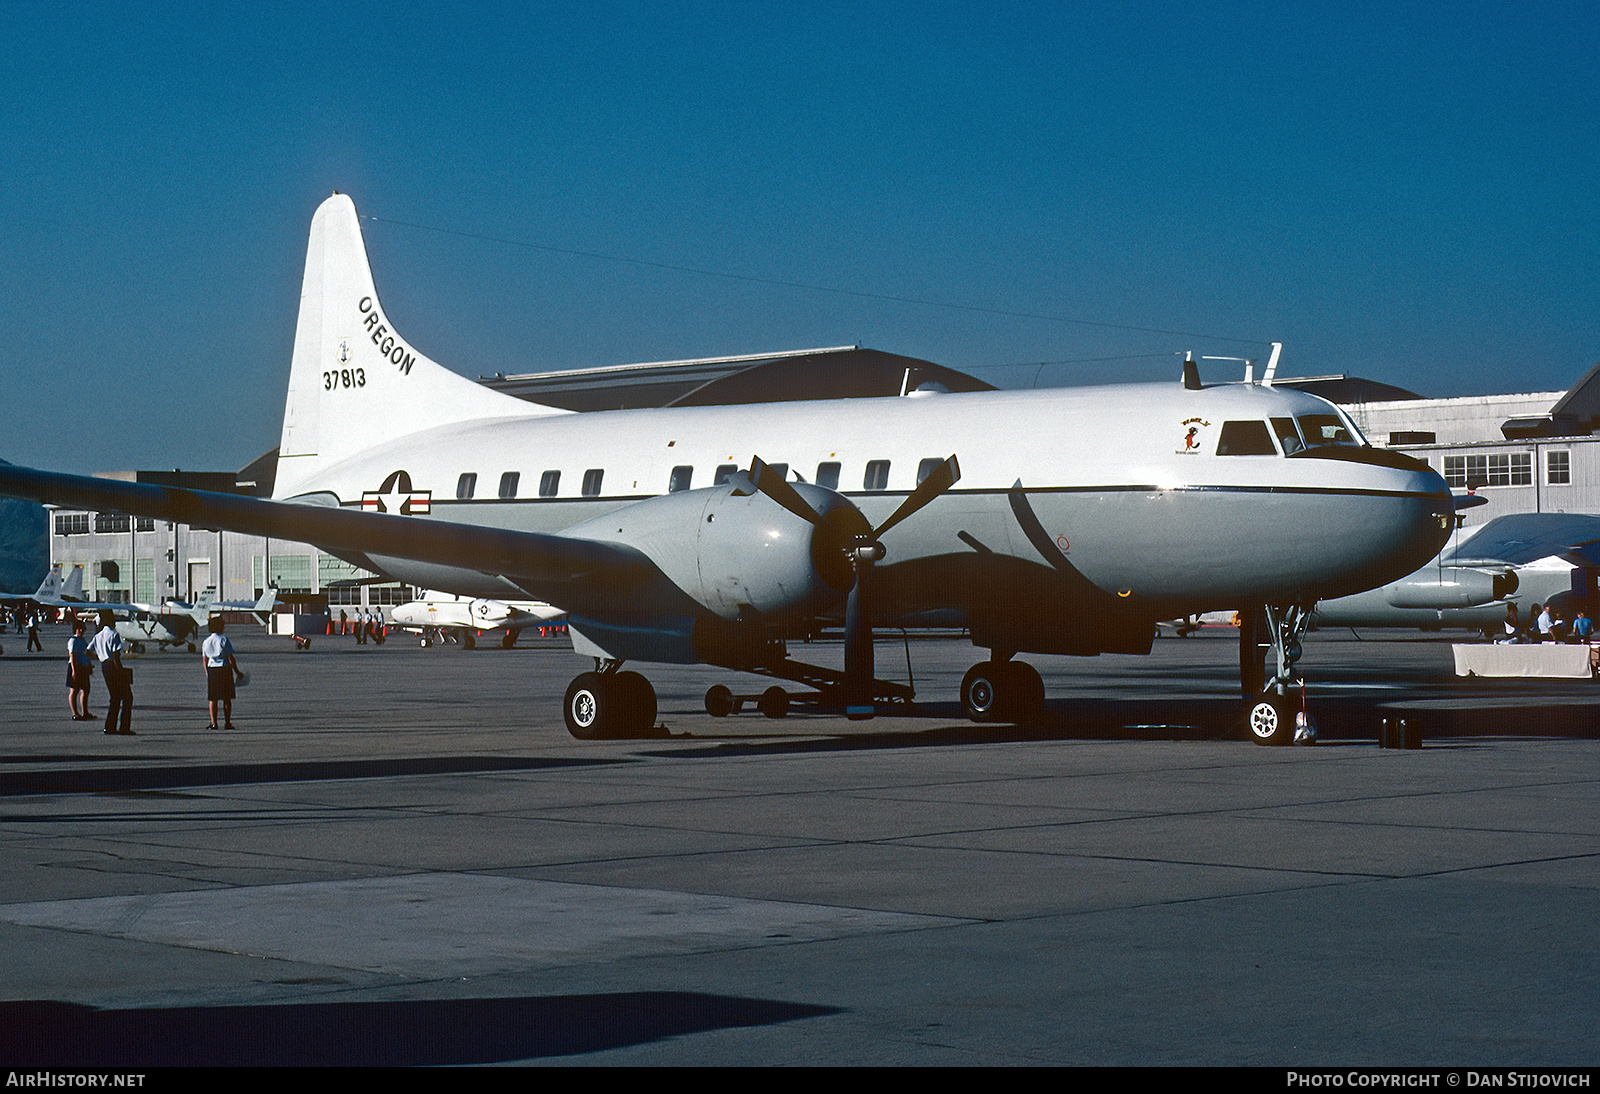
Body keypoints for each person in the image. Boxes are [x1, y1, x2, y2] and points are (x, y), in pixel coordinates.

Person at [90, 610, 134, 736]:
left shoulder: (98, 635)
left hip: (104, 665)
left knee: (114, 697)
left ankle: (110, 726)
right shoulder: (114, 635)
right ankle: (124, 727)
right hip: (113, 666)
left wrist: (100, 656)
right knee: (127, 697)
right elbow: (116, 657)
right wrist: (122, 673)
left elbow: (88, 652)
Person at [201, 617, 244, 730]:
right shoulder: (224, 640)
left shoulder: (206, 641)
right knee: (226, 698)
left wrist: (207, 672)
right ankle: (227, 722)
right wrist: (237, 672)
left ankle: (213, 722)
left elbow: (205, 659)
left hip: (212, 669)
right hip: (224, 668)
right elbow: (230, 658)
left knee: (213, 698)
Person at [66, 619, 94, 721]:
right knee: (74, 690)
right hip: (76, 666)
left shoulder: (83, 641)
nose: (81, 631)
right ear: (75, 629)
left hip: (84, 666)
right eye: (79, 629)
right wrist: (74, 670)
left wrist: (89, 665)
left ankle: (85, 712)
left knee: (85, 690)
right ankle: (75, 713)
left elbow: (85, 654)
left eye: (82, 629)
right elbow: (72, 655)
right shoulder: (73, 641)